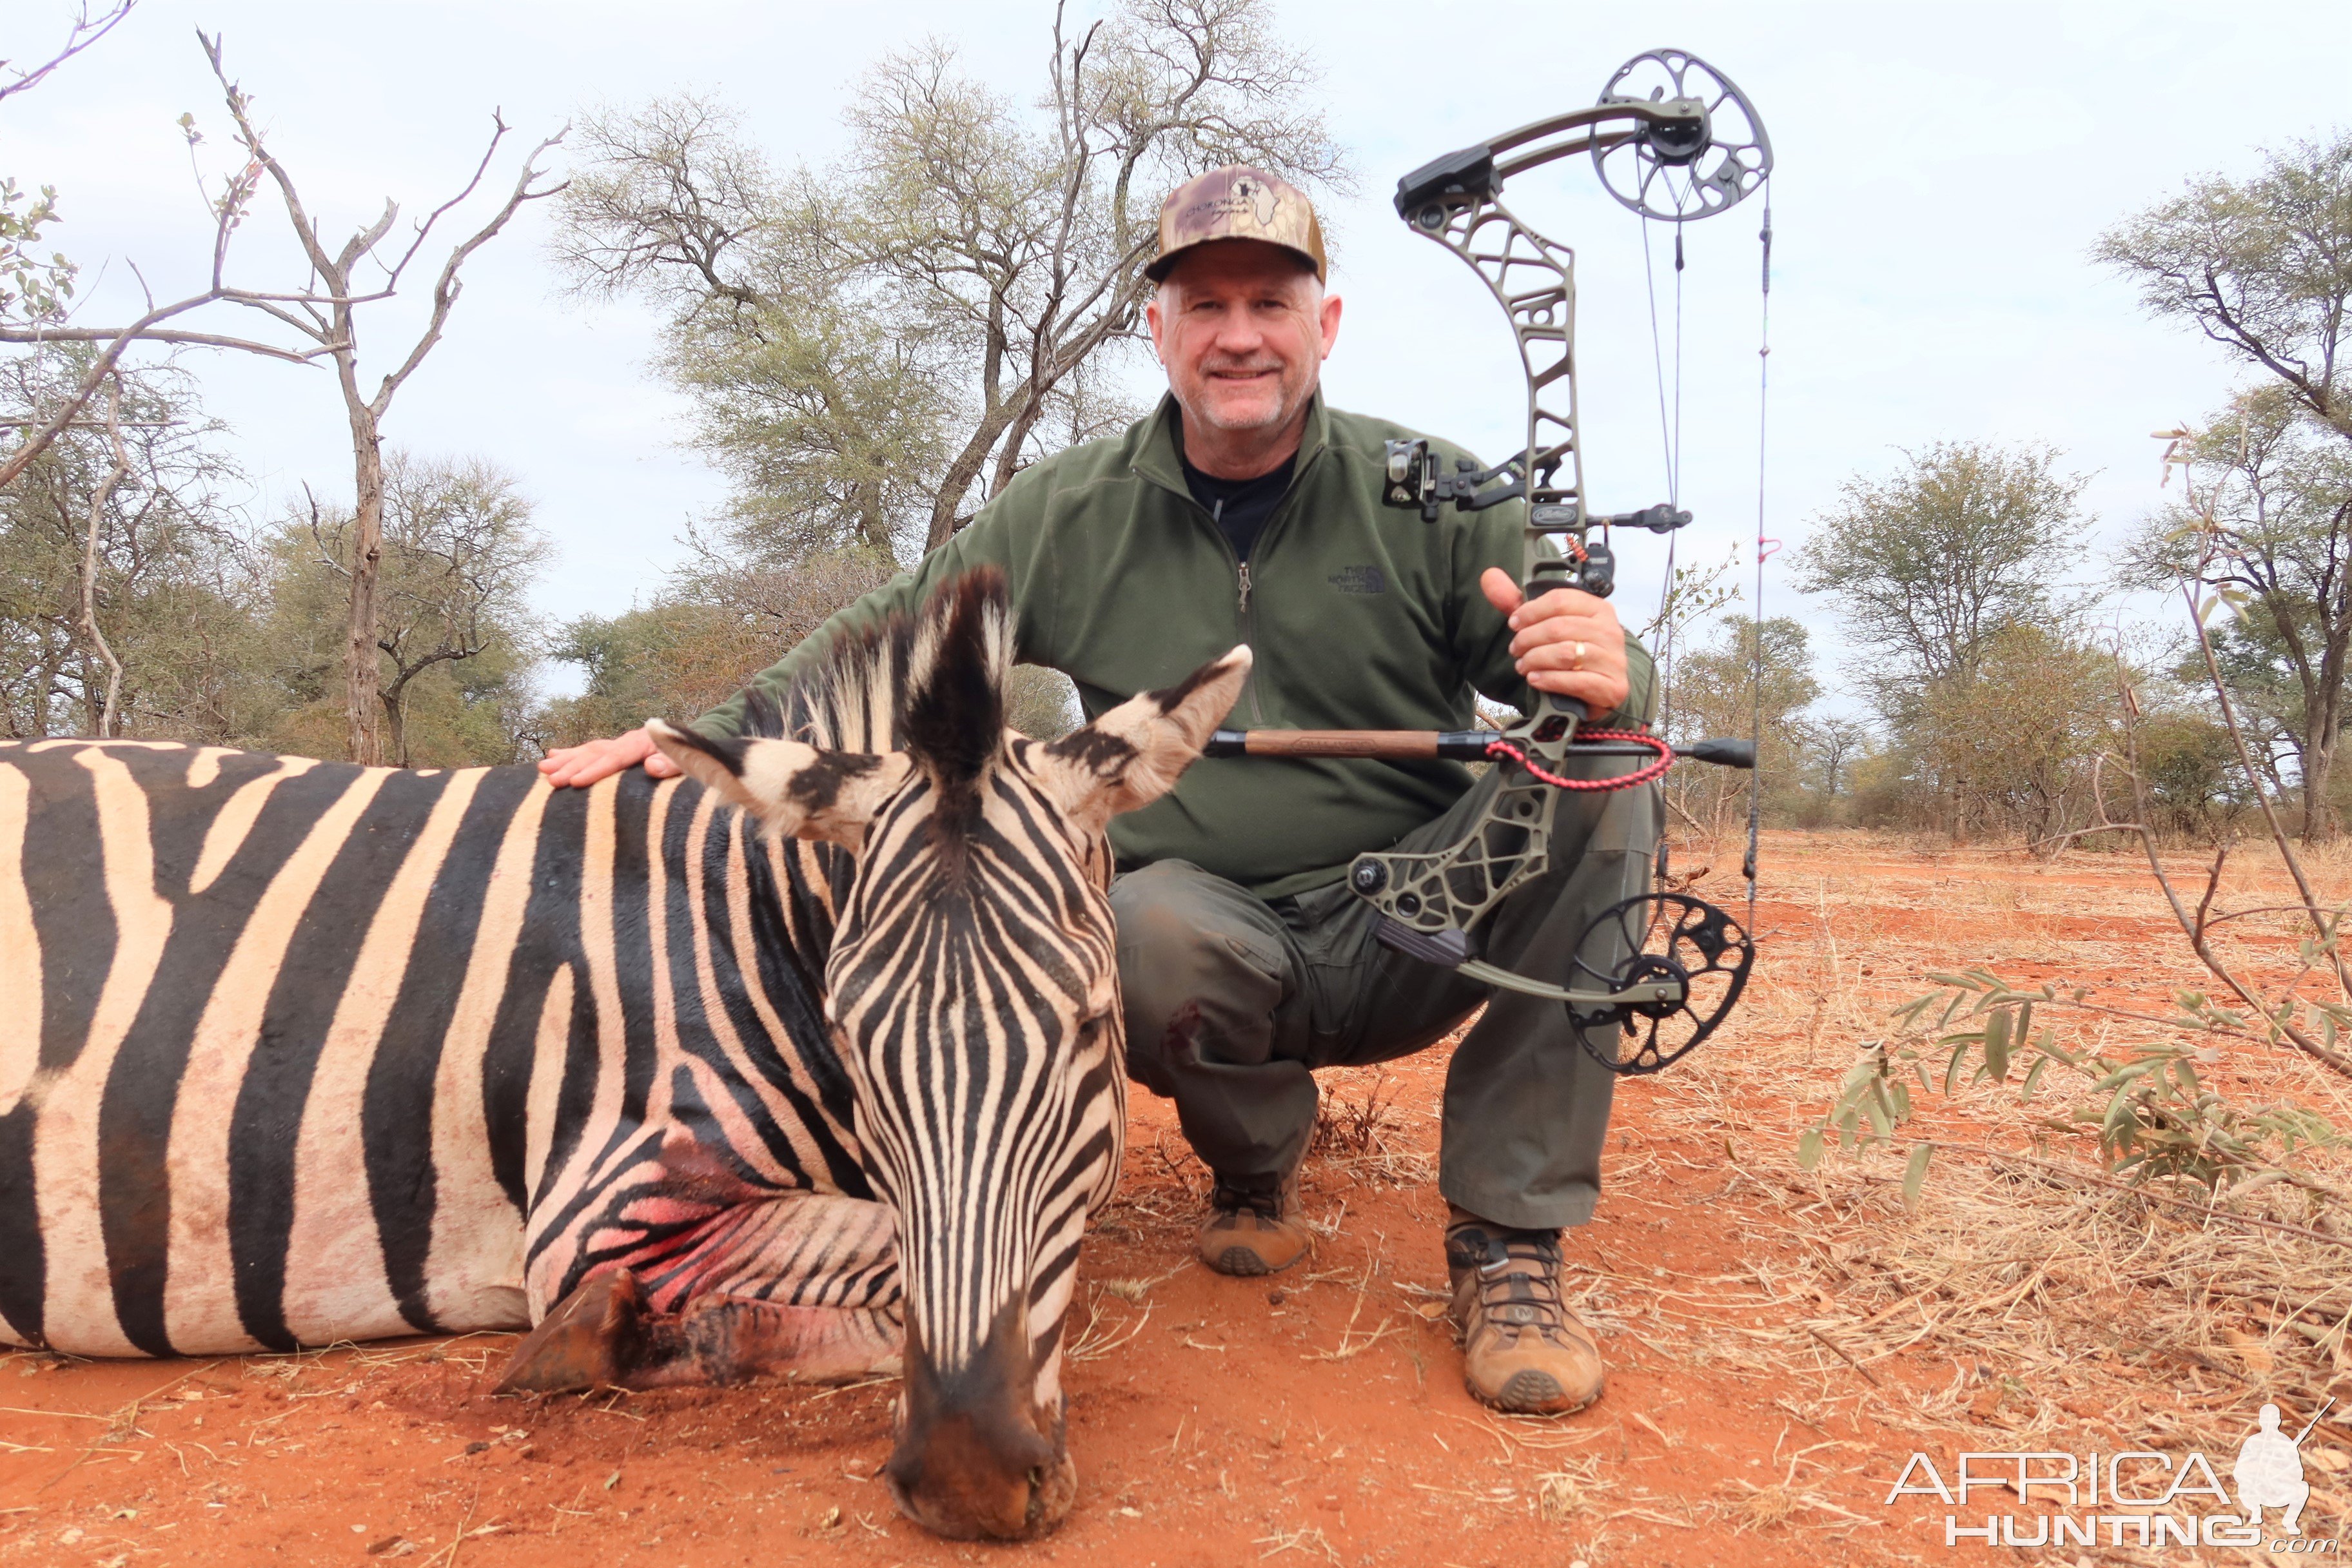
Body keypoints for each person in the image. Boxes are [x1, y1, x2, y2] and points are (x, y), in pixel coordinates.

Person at [540, 166, 1655, 1418]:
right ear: (1158, 330)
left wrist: (1604, 664)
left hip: (1425, 917)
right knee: (1130, 930)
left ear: (1325, 325)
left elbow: (1593, 683)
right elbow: (898, 631)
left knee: (1606, 772)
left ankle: (1509, 1238)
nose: (1239, 335)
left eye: (1271, 303)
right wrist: (709, 733)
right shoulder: (1073, 510)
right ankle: (1253, 1162)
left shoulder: (1432, 491)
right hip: (1205, 927)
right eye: (1205, 304)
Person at [2235, 1403, 2309, 1535]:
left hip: (2279, 1490)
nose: (2270, 1423)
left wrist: (2283, 1470)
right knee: (2244, 1487)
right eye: (2266, 1419)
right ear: (2260, 1421)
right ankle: (2255, 1512)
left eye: (2273, 1419)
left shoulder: (2286, 1442)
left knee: (2303, 1488)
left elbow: (2298, 1471)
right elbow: (2239, 1469)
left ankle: (2290, 1520)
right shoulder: (2253, 1441)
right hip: (2257, 1489)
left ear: (2279, 1421)